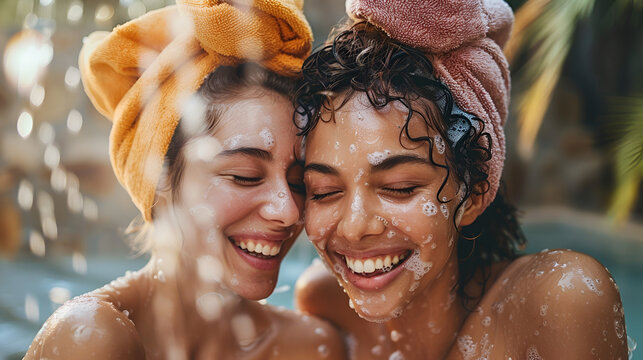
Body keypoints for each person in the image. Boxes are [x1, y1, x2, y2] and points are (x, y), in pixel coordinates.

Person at [293, 0, 629, 359]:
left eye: (399, 188)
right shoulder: (324, 301)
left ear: (474, 191)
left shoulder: (561, 299)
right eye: (324, 192)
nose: (354, 227)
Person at [25, 1, 344, 359]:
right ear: (158, 174)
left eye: (299, 183)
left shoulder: (310, 347)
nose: (287, 211)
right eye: (245, 176)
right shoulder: (90, 337)